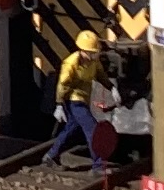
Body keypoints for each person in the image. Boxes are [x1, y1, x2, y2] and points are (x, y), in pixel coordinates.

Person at [39, 27, 111, 171]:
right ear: (83, 51)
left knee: (71, 128)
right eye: (92, 52)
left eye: (95, 52)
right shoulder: (70, 63)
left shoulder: (93, 62)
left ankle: (50, 156)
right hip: (73, 101)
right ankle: (98, 166)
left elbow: (100, 75)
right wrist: (59, 104)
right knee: (92, 130)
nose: (95, 54)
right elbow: (63, 85)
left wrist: (111, 88)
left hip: (84, 99)